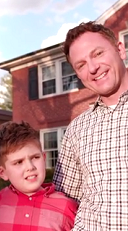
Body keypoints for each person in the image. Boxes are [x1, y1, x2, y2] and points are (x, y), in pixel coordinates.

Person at [53, 21, 128, 230]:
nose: (93, 68)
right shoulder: (76, 130)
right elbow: (65, 199)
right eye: (81, 65)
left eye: (98, 54)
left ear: (120, 49)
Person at [0, 121, 78, 231]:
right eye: (19, 162)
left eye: (35, 157)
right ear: (2, 172)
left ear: (44, 158)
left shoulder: (67, 207)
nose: (30, 167)